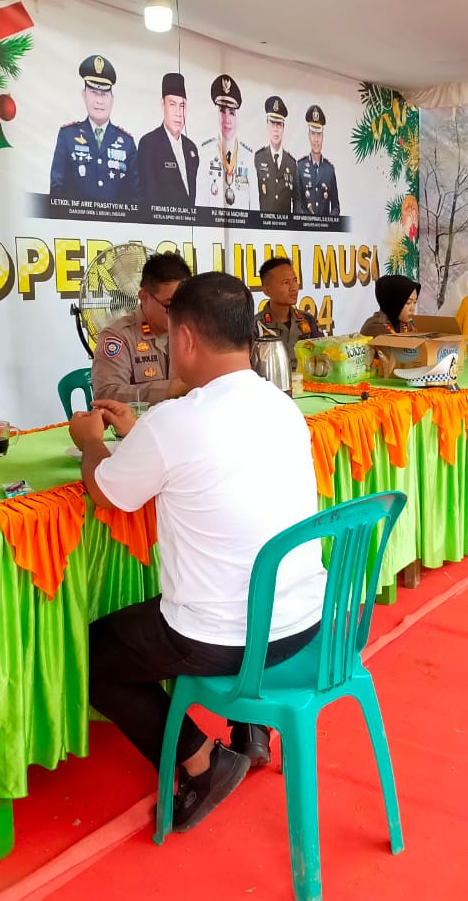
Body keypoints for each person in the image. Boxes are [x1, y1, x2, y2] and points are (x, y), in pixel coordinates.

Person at [71, 272, 325, 833]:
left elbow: (108, 492)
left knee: (91, 654)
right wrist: (139, 433)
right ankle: (249, 728)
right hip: (306, 622)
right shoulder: (281, 405)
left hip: (223, 637)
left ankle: (202, 761)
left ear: (184, 338)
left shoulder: (176, 421)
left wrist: (89, 442)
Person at [91, 252, 193, 404]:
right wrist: (172, 389)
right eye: (169, 305)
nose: (180, 314)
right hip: (138, 419)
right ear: (144, 297)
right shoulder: (119, 336)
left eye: (185, 304)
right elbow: (107, 394)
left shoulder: (194, 331)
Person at [50, 55, 139, 202]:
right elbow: (57, 191)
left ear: (112, 99)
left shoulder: (127, 143)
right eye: (94, 93)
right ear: (84, 95)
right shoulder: (67, 136)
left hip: (115, 218)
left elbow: (136, 197)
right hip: (76, 217)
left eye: (104, 94)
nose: (99, 100)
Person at [136, 72, 198, 207]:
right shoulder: (149, 144)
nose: (178, 113)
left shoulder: (191, 148)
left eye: (182, 105)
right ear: (163, 104)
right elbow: (148, 199)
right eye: (172, 104)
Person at [197, 74, 257, 210]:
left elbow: (255, 207)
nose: (227, 119)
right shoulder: (205, 153)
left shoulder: (248, 156)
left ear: (237, 116)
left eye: (231, 112)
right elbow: (200, 205)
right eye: (222, 111)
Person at [256, 257, 323, 369]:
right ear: (267, 291)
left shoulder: (307, 320)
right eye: (286, 282)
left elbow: (322, 354)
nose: (294, 288)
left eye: (295, 281)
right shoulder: (255, 327)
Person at [254, 95, 298, 213]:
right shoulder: (258, 158)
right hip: (264, 223)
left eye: (279, 124)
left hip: (286, 224)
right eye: (272, 124)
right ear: (267, 126)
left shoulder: (292, 163)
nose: (275, 129)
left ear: (283, 128)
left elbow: (297, 202)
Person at [296, 105, 340, 216]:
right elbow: (297, 204)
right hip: (304, 225)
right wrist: (307, 222)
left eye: (319, 134)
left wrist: (327, 223)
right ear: (308, 136)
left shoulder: (329, 170)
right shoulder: (300, 167)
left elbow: (336, 207)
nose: (316, 139)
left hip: (324, 227)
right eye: (313, 134)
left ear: (323, 136)